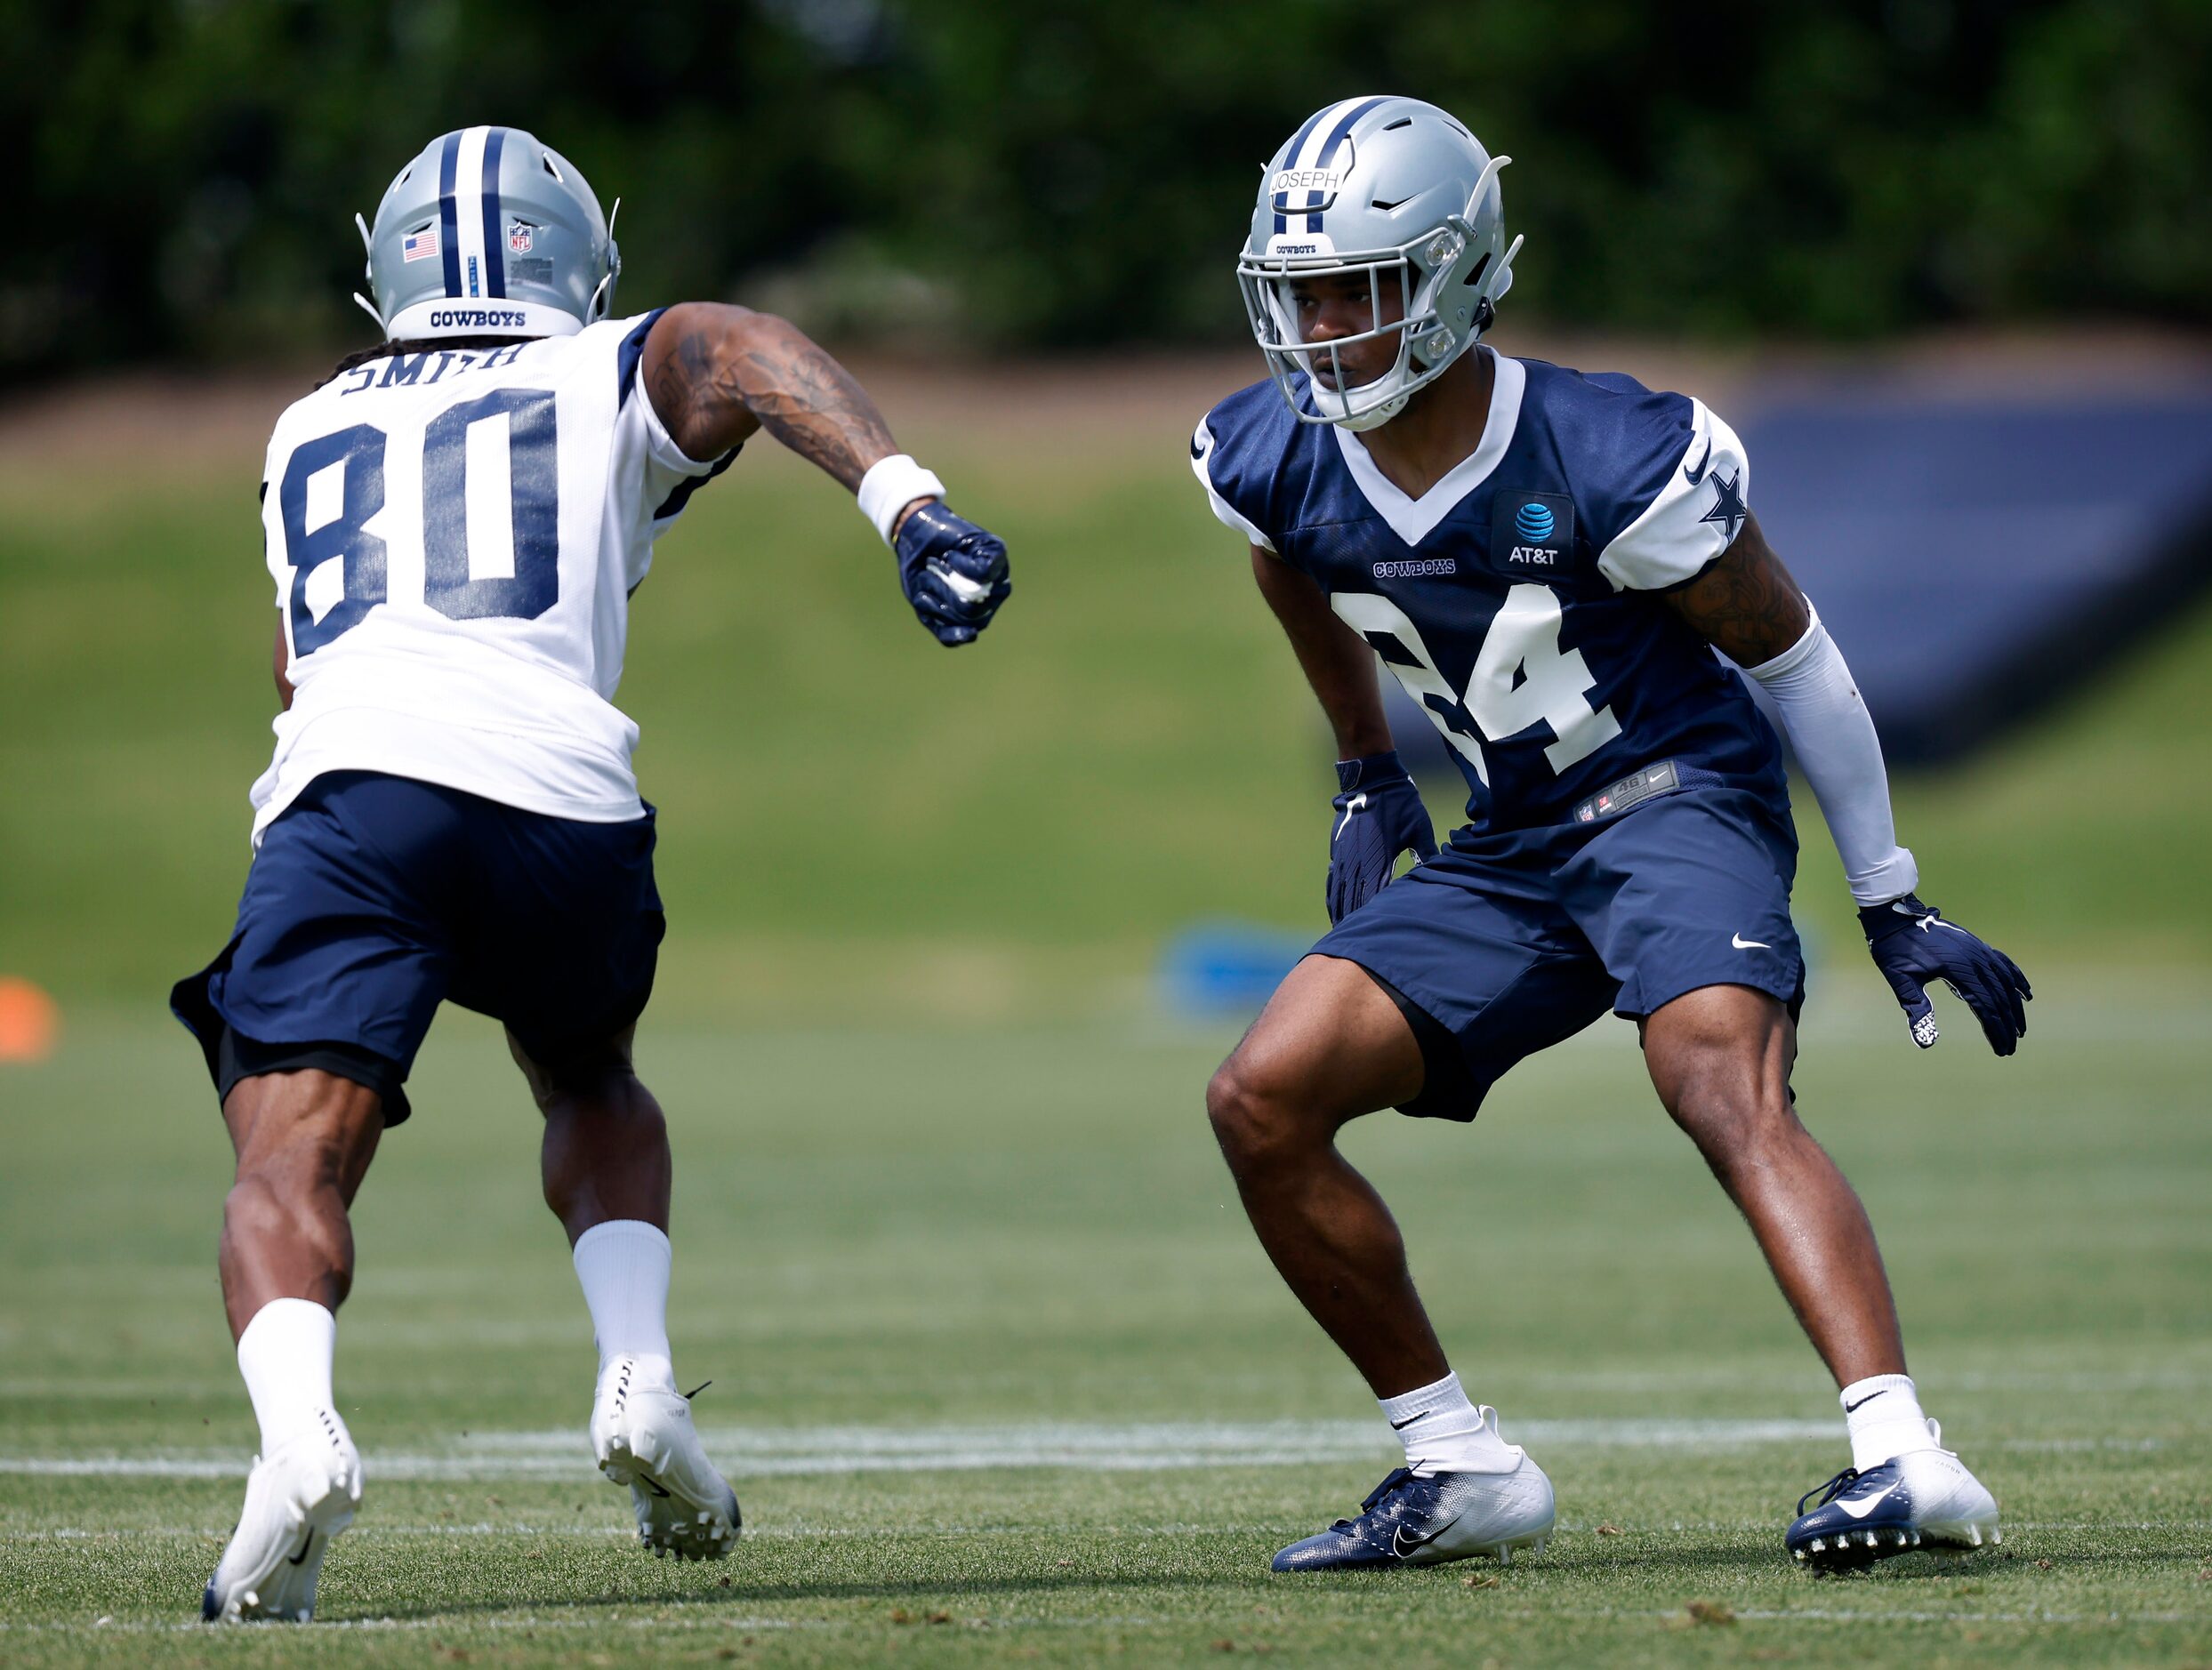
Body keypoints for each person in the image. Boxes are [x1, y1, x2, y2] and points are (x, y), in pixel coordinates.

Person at [173, 124, 1011, 1623]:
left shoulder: (303, 425)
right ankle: (637, 1375)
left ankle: (296, 1436)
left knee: (288, 1156)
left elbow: (301, 672)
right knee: (592, 1081)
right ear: (580, 257)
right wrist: (908, 502)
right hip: (563, 798)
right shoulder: (606, 360)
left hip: (358, 788)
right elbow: (739, 350)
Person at [1190, 96, 2029, 1574]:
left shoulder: (1606, 452)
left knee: (1710, 1070)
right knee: (1261, 1095)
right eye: (1297, 292)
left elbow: (1795, 659)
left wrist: (1891, 894)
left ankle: (1905, 1455)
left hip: (1671, 799)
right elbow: (1293, 573)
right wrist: (1365, 770)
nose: (1318, 330)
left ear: (1452, 282)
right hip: (1512, 837)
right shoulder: (1271, 450)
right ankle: (1458, 1463)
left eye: (1355, 291)